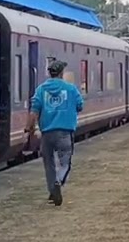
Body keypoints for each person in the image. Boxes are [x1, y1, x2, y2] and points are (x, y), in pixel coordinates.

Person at [24, 59, 84, 206]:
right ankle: (58, 181)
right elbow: (79, 106)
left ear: (49, 73)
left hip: (47, 133)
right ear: (62, 73)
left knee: (48, 163)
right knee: (65, 163)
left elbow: (34, 112)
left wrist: (28, 128)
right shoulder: (70, 89)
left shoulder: (41, 89)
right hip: (64, 132)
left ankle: (52, 192)